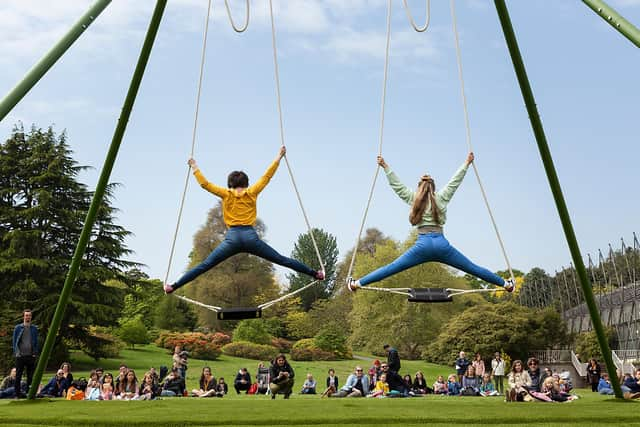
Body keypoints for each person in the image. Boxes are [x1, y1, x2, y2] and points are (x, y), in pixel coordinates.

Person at [164, 147, 324, 294]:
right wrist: (279, 157)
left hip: (232, 239)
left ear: (230, 184)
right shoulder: (252, 192)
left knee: (205, 265)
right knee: (281, 259)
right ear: (246, 183)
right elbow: (267, 176)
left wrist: (194, 166)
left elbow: (205, 184)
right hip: (250, 237)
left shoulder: (226, 193)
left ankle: (173, 287)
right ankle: (315, 274)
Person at [346, 153, 514, 293]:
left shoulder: (414, 198)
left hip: (422, 246)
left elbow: (397, 186)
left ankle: (356, 284)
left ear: (419, 188)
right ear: (434, 187)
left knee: (391, 268)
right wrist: (467, 164)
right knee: (472, 267)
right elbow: (455, 182)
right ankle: (506, 284)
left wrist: (385, 167)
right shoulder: (441, 198)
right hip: (442, 245)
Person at [12, 309, 39, 398]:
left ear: (31, 317)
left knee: (30, 376)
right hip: (20, 356)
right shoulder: (18, 328)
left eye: (29, 315)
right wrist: (16, 352)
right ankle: (17, 394)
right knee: (18, 376)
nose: (28, 317)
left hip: (31, 356)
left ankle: (29, 393)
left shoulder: (34, 328)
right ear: (23, 316)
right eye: (26, 315)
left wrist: (35, 352)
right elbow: (14, 341)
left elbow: (36, 342)